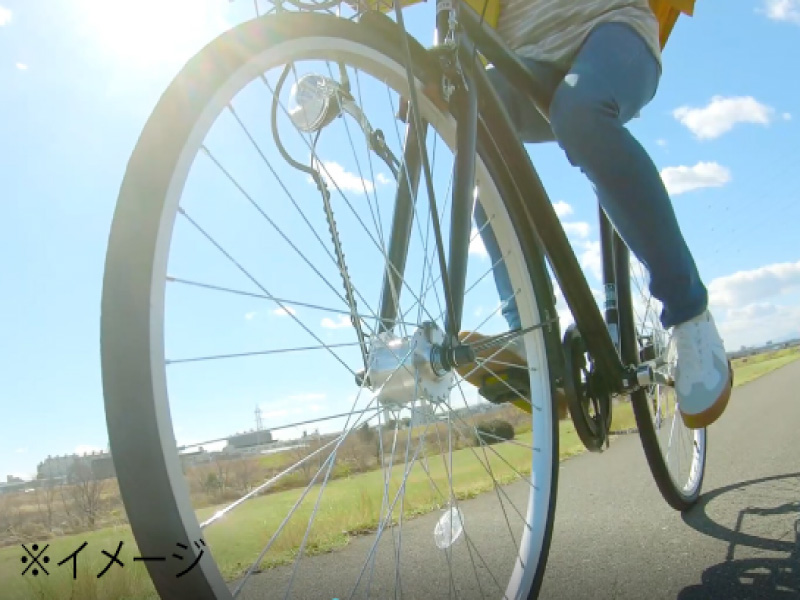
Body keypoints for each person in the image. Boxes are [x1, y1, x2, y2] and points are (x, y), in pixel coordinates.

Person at [466, 0, 731, 429]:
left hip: (610, 30)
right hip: (520, 57)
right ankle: (532, 340)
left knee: (581, 112)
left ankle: (689, 313)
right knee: (467, 122)